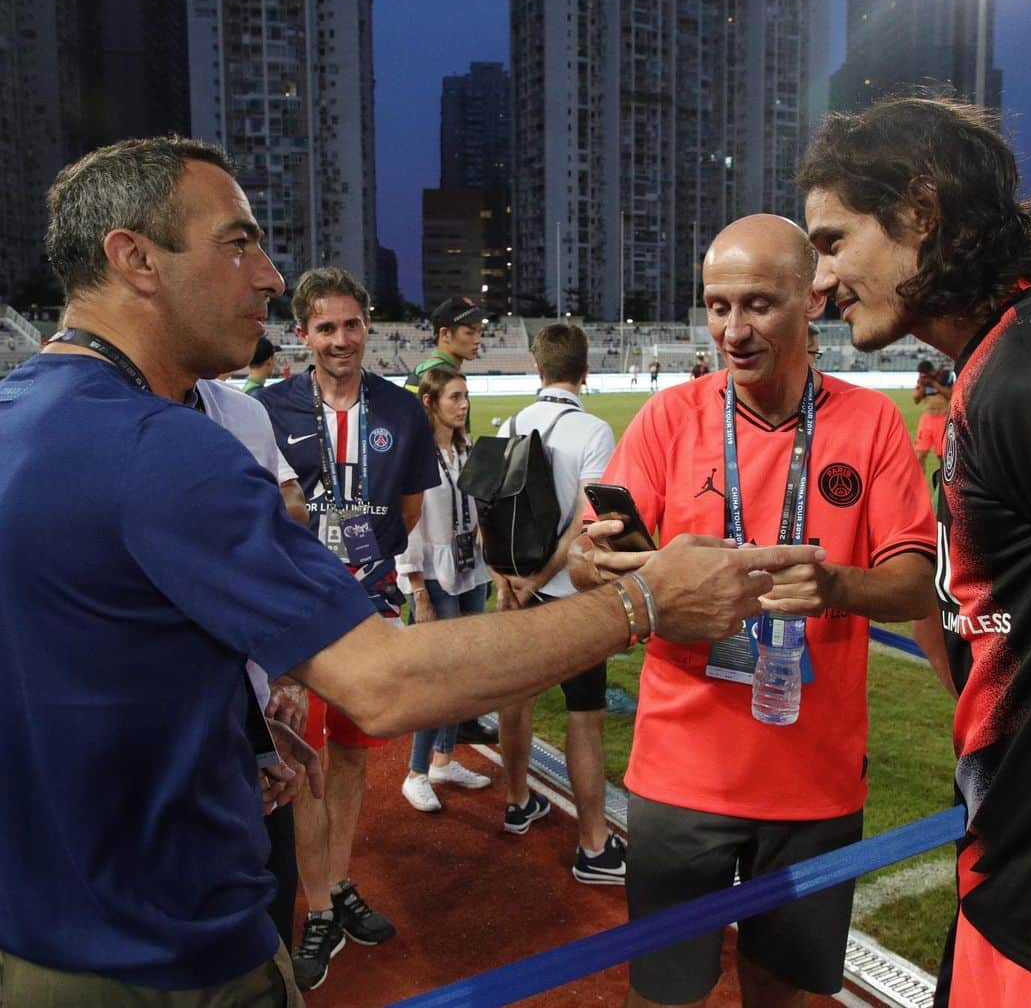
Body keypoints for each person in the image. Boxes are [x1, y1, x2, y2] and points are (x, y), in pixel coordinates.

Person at [0, 135, 825, 1006]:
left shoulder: (24, 414)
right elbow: (383, 682)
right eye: (237, 243)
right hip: (166, 954)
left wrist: (226, 724)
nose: (270, 276)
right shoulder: (163, 447)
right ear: (133, 259)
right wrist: (645, 599)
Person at [570, 213, 938, 1008]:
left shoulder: (870, 422)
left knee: (782, 993)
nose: (732, 331)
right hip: (681, 776)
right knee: (664, 993)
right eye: (717, 306)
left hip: (814, 783)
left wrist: (836, 587)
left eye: (759, 305)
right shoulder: (671, 418)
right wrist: (593, 556)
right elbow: (589, 558)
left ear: (812, 299)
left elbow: (916, 580)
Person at [799, 96, 1031, 1008]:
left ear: (921, 211)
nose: (819, 283)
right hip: (1011, 884)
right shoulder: (996, 368)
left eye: (834, 242)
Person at [254, 266, 436, 991]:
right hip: (297, 622)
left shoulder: (401, 408)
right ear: (301, 334)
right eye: (325, 327)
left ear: (369, 325)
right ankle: (321, 907)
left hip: (369, 611)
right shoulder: (267, 409)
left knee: (357, 760)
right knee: (308, 766)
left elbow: (412, 510)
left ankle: (338, 878)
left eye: (352, 324)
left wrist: (371, 562)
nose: (341, 339)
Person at [494, 324, 625, 883]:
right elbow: (587, 524)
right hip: (574, 596)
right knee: (585, 715)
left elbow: (490, 510)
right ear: (586, 371)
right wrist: (546, 576)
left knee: (516, 696)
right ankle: (594, 845)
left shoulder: (512, 423)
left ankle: (518, 799)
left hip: (515, 587)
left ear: (537, 368)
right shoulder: (594, 429)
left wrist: (509, 580)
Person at [195, 376, 314, 950]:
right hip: (130, 789)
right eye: (242, 273)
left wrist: (268, 695)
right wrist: (627, 601)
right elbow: (380, 685)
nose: (271, 279)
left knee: (269, 924)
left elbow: (266, 556)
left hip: (251, 741)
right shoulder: (36, 421)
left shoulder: (242, 413)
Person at [403, 293, 498, 747]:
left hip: (452, 540)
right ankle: (434, 747)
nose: (478, 338)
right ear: (446, 334)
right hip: (433, 541)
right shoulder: (430, 379)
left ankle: (453, 730)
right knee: (440, 656)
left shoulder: (437, 376)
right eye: (470, 331)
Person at [397, 367, 493, 812]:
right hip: (432, 574)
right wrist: (416, 588)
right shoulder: (413, 455)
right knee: (438, 676)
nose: (464, 405)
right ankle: (416, 772)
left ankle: (444, 760)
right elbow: (406, 524)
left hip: (470, 570)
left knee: (467, 671)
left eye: (466, 397)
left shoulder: (465, 449)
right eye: (455, 397)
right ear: (429, 402)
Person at [402, 294, 489, 394]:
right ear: (445, 334)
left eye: (480, 332)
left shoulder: (426, 370)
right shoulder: (440, 376)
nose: (478, 340)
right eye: (469, 333)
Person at [912, 359, 953, 474]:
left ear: (932, 371)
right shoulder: (922, 381)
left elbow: (950, 394)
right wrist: (923, 385)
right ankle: (919, 488)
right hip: (927, 419)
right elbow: (916, 399)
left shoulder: (945, 376)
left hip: (943, 419)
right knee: (919, 455)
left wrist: (934, 384)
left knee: (943, 457)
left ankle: (944, 486)